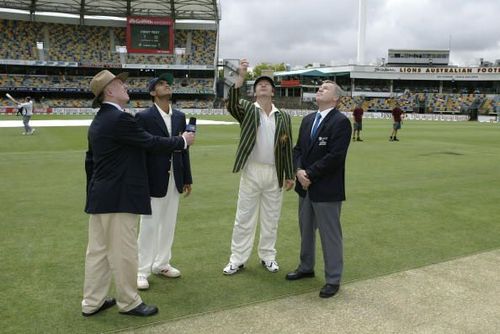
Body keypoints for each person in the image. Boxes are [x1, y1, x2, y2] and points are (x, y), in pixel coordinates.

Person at [82, 70, 195, 317]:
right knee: (124, 253)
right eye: (119, 83)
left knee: (98, 253)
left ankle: (92, 301)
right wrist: (183, 141)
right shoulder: (119, 119)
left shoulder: (100, 119)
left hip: (101, 196)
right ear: (109, 91)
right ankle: (129, 302)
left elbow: (90, 161)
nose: (125, 86)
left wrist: (93, 194)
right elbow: (150, 142)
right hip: (120, 197)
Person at [223, 59, 294, 275]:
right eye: (259, 84)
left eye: (267, 84)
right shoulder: (247, 109)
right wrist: (241, 76)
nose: (263, 85)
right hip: (252, 170)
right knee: (244, 217)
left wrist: (289, 174)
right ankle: (237, 259)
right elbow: (232, 102)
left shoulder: (283, 116)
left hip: (275, 172)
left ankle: (268, 256)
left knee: (271, 219)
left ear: (273, 91)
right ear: (254, 92)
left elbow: (287, 146)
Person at [287, 80, 351, 299]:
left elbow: (335, 156)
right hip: (304, 188)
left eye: (326, 88)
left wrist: (309, 174)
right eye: (319, 87)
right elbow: (298, 150)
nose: (320, 89)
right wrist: (298, 171)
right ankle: (306, 267)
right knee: (305, 231)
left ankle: (333, 278)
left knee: (330, 235)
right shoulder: (307, 120)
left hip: (326, 190)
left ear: (335, 98)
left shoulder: (341, 122)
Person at [135, 73, 193, 290]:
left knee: (168, 224)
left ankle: (162, 263)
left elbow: (183, 148)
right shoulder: (143, 117)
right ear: (152, 93)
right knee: (149, 226)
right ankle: (141, 270)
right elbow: (145, 147)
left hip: (175, 177)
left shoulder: (179, 116)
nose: (166, 85)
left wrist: (187, 177)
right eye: (160, 84)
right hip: (153, 178)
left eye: (168, 83)